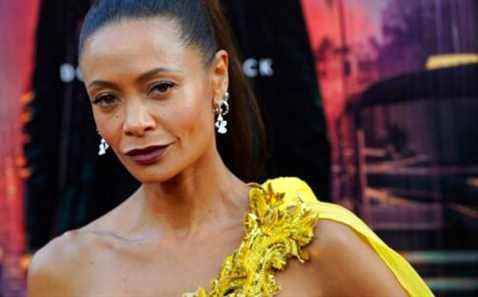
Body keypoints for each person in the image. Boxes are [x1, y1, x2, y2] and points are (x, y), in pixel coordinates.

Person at [27, 1, 433, 296]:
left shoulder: (315, 242)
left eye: (161, 88)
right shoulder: (63, 270)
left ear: (218, 78)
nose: (135, 122)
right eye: (107, 99)